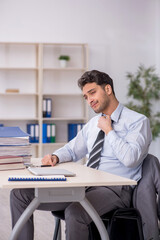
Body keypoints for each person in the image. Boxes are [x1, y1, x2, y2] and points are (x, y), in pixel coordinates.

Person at [10, 70, 152, 240]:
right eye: (85, 96)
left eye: (92, 93)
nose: (89, 100)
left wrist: (109, 131)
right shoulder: (93, 124)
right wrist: (56, 156)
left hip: (115, 190)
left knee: (75, 212)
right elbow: (72, 149)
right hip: (84, 185)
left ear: (108, 89)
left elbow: (130, 159)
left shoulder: (137, 121)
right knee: (19, 195)